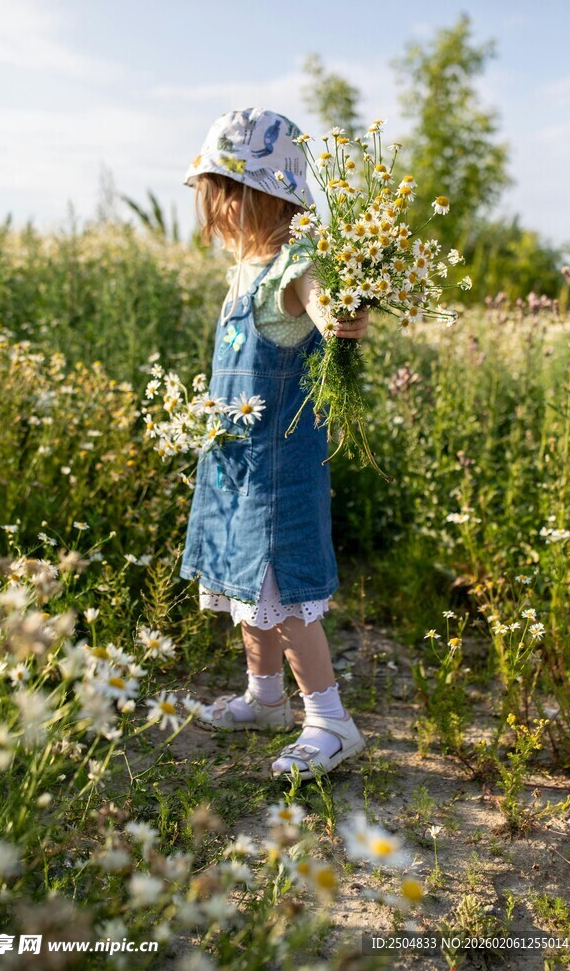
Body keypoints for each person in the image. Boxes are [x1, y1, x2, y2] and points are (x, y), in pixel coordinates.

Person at [179, 107, 367, 780]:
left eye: (221, 200)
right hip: (234, 463)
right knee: (245, 590)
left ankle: (330, 721)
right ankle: (264, 699)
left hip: (277, 468)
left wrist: (339, 316)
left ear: (252, 196)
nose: (216, 216)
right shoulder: (246, 270)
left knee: (281, 594)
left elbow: (323, 304)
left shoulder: (295, 266)